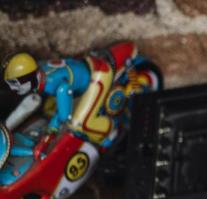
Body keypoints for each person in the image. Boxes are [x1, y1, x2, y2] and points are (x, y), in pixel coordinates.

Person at [2, 42, 139, 146]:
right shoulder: (38, 69)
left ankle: (111, 132)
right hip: (85, 65)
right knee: (49, 108)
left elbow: (64, 115)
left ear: (29, 77)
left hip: (96, 76)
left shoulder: (54, 84)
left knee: (78, 124)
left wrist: (51, 130)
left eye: (16, 83)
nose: (13, 88)